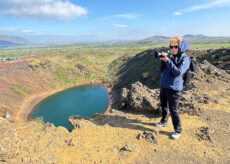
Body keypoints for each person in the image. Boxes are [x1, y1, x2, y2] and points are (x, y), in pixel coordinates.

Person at [154, 36, 190, 140]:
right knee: (163, 105)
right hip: (164, 86)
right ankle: (164, 121)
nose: (173, 48)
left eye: (175, 46)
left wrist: (168, 61)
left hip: (174, 88)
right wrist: (163, 60)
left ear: (181, 47)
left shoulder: (185, 59)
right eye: (171, 46)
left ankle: (178, 130)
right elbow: (161, 70)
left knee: (173, 109)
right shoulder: (171, 56)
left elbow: (177, 72)